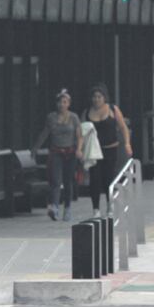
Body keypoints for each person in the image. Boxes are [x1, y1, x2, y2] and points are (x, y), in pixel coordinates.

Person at [33, 89, 82, 222]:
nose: (62, 104)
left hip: (70, 152)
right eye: (60, 102)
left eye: (64, 102)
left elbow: (79, 135)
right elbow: (45, 133)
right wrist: (36, 147)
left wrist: (79, 149)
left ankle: (68, 208)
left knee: (68, 181)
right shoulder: (51, 117)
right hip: (56, 152)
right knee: (56, 180)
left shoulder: (74, 117)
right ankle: (54, 206)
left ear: (69, 104)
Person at [83, 84, 132, 217]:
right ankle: (95, 209)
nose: (96, 99)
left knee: (108, 178)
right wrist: (80, 148)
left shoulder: (112, 109)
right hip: (94, 151)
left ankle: (110, 206)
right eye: (94, 97)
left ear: (104, 98)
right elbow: (82, 131)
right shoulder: (87, 112)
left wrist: (127, 144)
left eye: (99, 97)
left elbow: (123, 128)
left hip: (110, 148)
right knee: (95, 179)